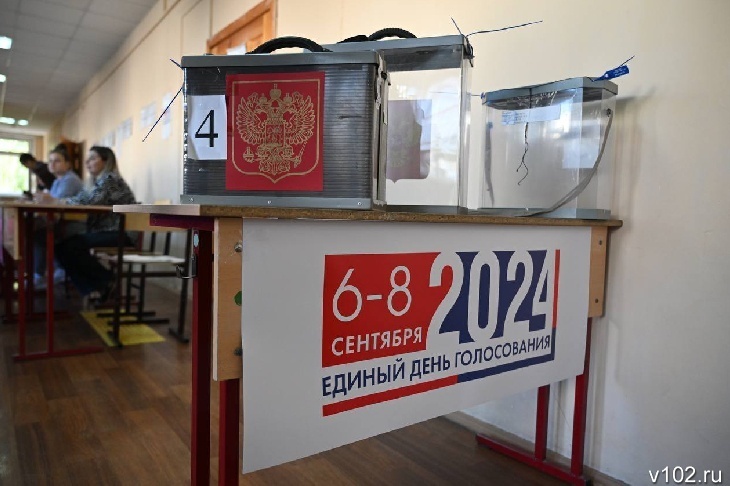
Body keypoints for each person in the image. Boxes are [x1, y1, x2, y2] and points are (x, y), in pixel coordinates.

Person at [43, 146, 136, 302]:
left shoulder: (110, 179)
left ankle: (106, 280)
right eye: (87, 159)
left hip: (122, 232)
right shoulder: (94, 182)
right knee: (62, 248)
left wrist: (57, 201)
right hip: (108, 231)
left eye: (92, 158)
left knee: (69, 246)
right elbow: (81, 198)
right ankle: (99, 287)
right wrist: (59, 201)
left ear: (106, 161)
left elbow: (89, 201)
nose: (87, 162)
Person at [31, 147, 85, 285]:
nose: (52, 164)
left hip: (74, 224)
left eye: (57, 161)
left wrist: (46, 200)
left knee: (38, 235)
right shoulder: (57, 181)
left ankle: (39, 276)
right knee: (35, 230)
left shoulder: (70, 180)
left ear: (68, 164)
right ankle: (52, 270)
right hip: (61, 222)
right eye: (50, 161)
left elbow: (57, 206)